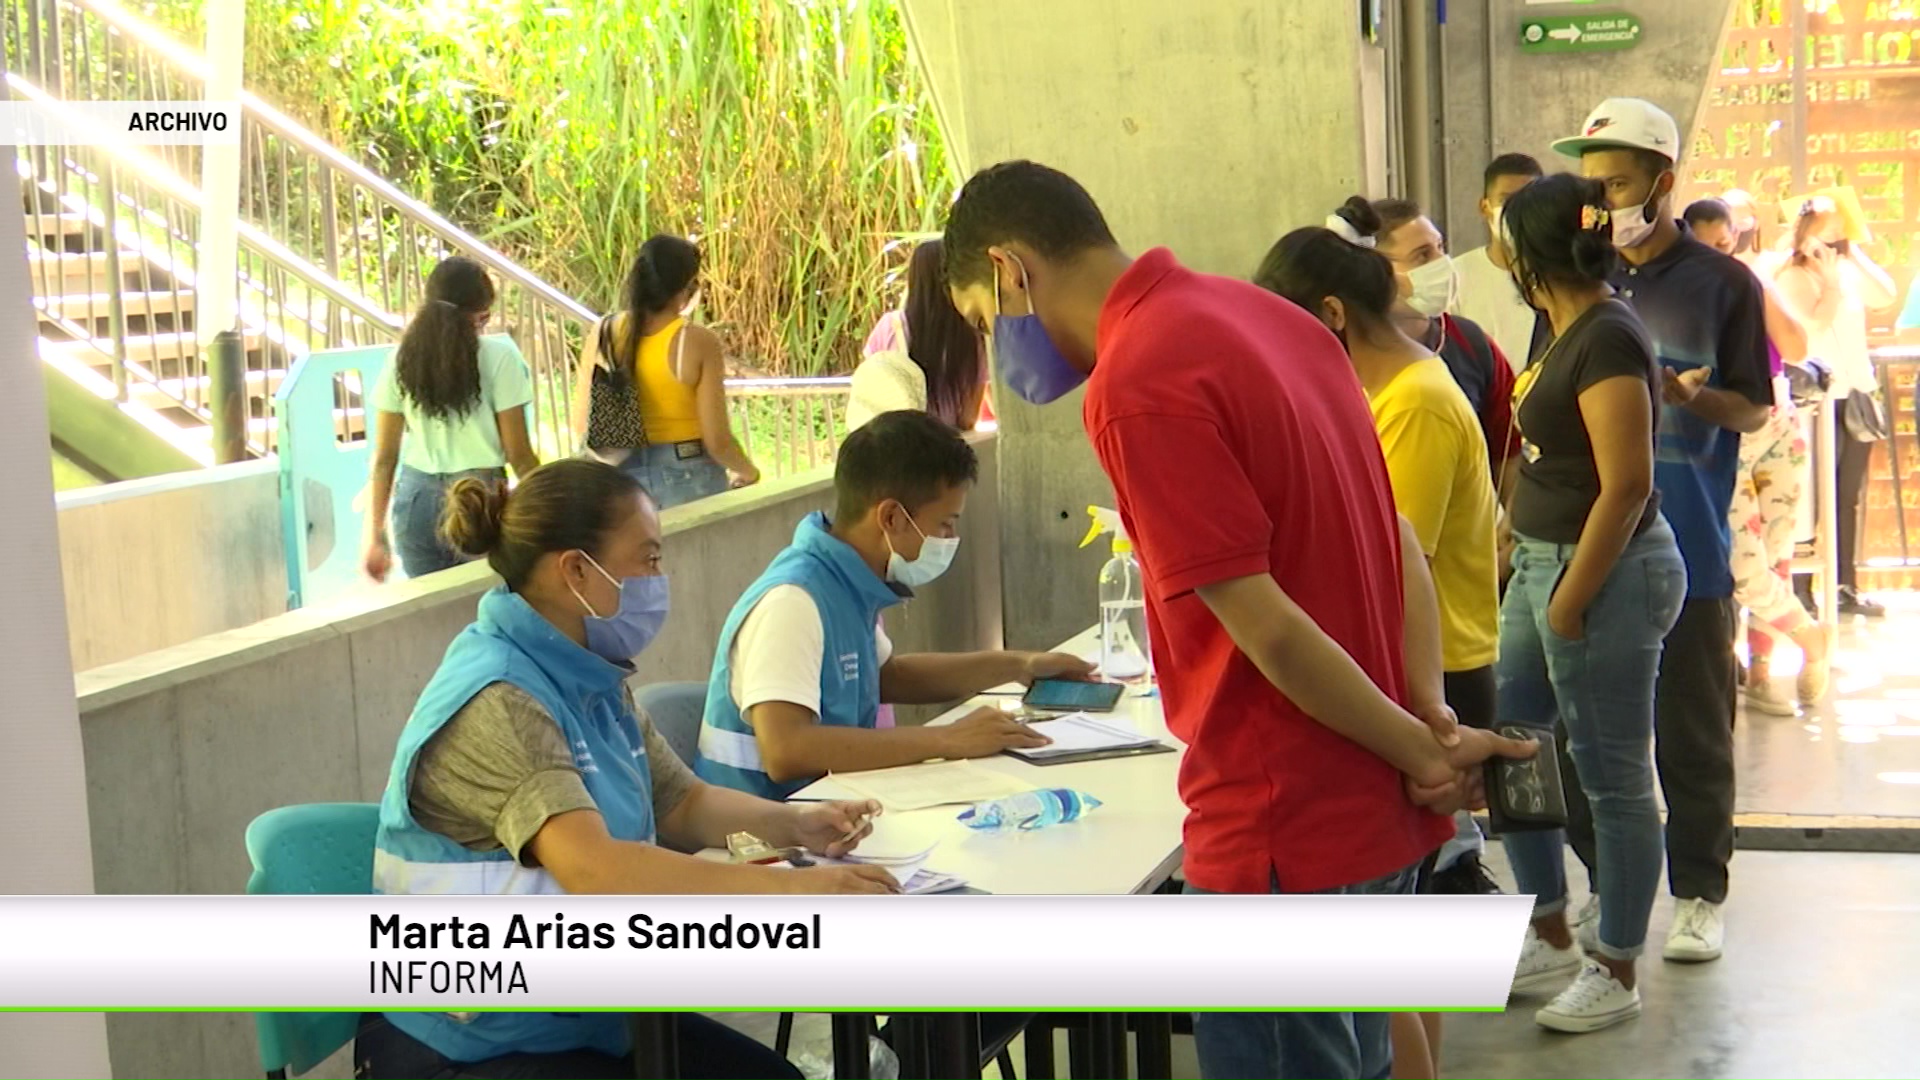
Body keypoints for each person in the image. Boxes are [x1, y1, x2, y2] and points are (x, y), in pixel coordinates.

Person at [939, 160, 1535, 1080]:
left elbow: (1266, 624)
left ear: (1011, 267)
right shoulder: (1277, 321)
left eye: (986, 319)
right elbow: (1404, 545)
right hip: (1370, 809)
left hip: (1281, 831)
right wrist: (1425, 722)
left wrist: (1423, 750)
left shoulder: (1137, 379)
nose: (1000, 349)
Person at [359, 458, 897, 1080]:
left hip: (584, 1013)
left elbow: (684, 806)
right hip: (474, 1041)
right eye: (647, 559)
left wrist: (798, 826)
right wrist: (797, 893)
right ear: (576, 571)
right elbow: (597, 870)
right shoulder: (500, 697)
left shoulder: (587, 674)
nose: (659, 578)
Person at [1254, 223, 1501, 1076]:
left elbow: (1400, 559)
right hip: (1409, 685)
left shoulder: (1411, 402)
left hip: (1419, 677)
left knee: (1390, 952)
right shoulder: (1382, 396)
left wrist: (1413, 716)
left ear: (1327, 316)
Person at [1556, 97, 1774, 966]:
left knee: (1691, 735)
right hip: (1592, 546)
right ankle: (1610, 888)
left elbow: (1754, 407)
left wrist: (1693, 398)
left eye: (1618, 182)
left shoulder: (1724, 285)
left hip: (1688, 547)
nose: (1607, 201)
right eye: (1595, 185)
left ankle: (1698, 894)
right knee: (1590, 737)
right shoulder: (1583, 279)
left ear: (1664, 179)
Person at [1486, 172, 1686, 1033]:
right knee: (1515, 747)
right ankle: (1551, 925)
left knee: (1612, 777)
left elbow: (1628, 484)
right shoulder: (1563, 325)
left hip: (1600, 573)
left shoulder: (1606, 333)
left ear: (1531, 252)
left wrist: (1570, 601)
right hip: (1543, 563)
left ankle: (1617, 963)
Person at [695, 410, 1092, 800]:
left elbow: (890, 676)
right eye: (945, 524)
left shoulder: (846, 583)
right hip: (762, 839)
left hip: (824, 815)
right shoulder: (793, 601)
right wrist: (947, 739)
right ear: (891, 517)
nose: (950, 538)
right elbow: (786, 750)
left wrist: (1019, 666)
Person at [1691, 196, 1831, 714]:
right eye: (1704, 247)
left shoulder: (1750, 281)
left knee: (1776, 552)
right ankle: (1811, 638)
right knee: (1743, 561)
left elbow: (1795, 347)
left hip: (1776, 415)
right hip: (1724, 423)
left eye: (1724, 245)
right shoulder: (1684, 290)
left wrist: (1759, 285)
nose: (1717, 256)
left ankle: (1765, 671)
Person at [364, 256, 540, 582]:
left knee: (432, 613)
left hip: (414, 498)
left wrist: (375, 535)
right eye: (485, 317)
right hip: (479, 498)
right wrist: (551, 510)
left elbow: (385, 459)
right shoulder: (500, 357)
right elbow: (520, 455)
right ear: (477, 315)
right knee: (483, 606)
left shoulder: (400, 361)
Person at [1772, 196, 1899, 619]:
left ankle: (1844, 585)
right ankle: (1801, 588)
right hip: (1813, 401)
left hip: (1853, 393)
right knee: (1807, 496)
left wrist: (1854, 253)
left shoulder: (1846, 270)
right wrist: (1825, 284)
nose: (1829, 239)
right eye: (1822, 229)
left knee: (1848, 496)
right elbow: (1812, 325)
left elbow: (1884, 295)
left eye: (1836, 231)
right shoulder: (1790, 276)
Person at [1342, 196, 1521, 495]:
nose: (1443, 264)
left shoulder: (1471, 344)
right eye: (1422, 256)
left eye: (1441, 247)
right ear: (1372, 270)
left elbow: (1508, 453)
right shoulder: (1344, 355)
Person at [570, 235, 761, 507]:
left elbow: (580, 422)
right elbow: (717, 440)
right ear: (687, 288)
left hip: (618, 478)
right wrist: (748, 471)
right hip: (688, 472)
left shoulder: (605, 330)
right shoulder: (697, 341)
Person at [848, 240, 989, 431]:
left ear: (914, 279)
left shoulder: (891, 326)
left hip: (897, 443)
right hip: (947, 448)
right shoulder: (973, 336)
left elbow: (873, 385)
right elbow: (968, 418)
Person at [1453, 153, 1547, 371]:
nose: (1517, 211)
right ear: (1484, 207)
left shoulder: (1560, 277)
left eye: (1527, 199)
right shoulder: (1457, 277)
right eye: (1506, 200)